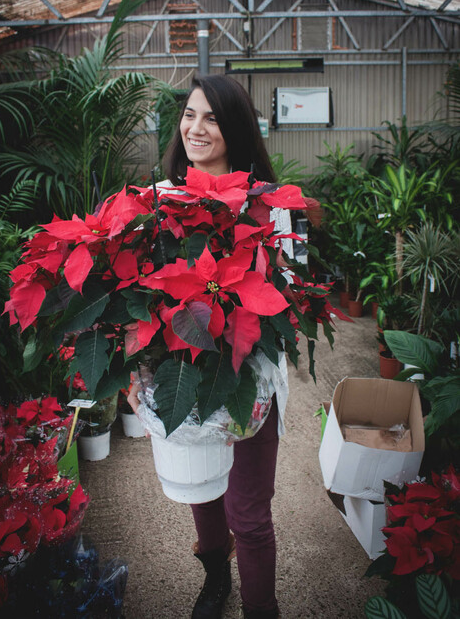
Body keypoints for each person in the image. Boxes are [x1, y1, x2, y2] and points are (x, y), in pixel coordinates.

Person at [129, 74, 289, 619]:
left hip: (250, 376)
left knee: (248, 509)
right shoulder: (160, 203)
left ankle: (261, 606)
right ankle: (216, 580)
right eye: (190, 114)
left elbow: (287, 297)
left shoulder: (267, 205)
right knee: (201, 492)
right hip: (183, 373)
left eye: (213, 118)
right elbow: (132, 296)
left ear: (236, 128)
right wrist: (132, 372)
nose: (196, 128)